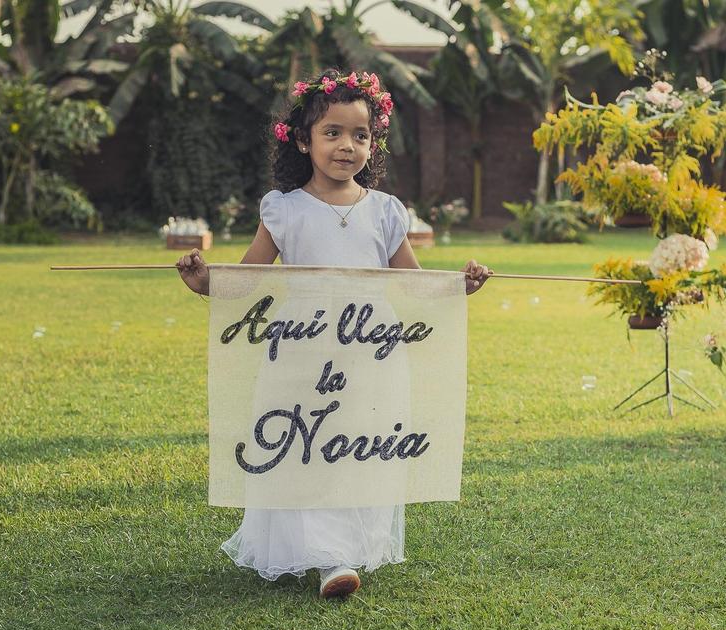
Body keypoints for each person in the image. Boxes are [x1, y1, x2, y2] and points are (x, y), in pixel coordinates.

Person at [177, 68, 492, 599]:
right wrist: (205, 282)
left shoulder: (387, 212)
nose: (348, 146)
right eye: (333, 133)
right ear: (303, 140)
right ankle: (324, 554)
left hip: (370, 349)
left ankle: (343, 551)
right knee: (306, 440)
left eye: (361, 135)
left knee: (355, 443)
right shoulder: (284, 208)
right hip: (302, 348)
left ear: (374, 143)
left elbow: (413, 286)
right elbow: (248, 279)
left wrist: (460, 286)